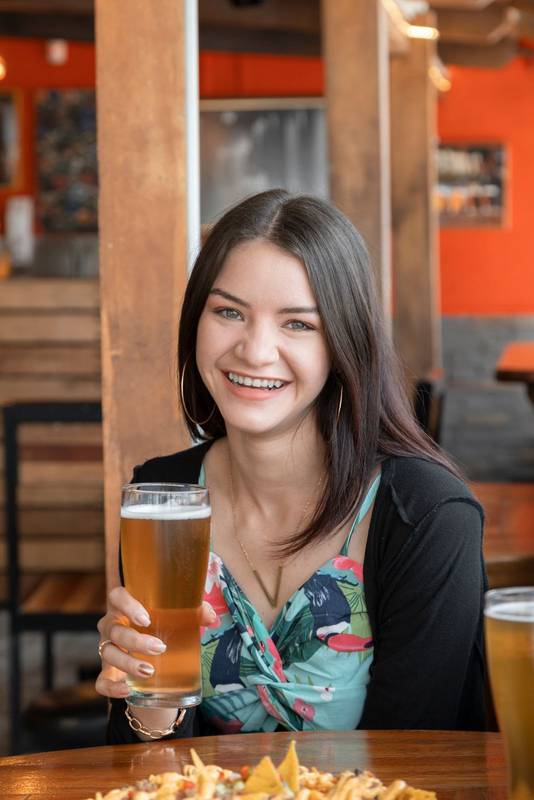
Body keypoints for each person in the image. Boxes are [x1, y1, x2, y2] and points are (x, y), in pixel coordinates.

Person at [96, 189, 487, 742]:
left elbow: (418, 764)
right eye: (228, 311)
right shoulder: (163, 499)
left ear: (344, 343)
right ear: (195, 322)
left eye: (298, 324)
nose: (255, 351)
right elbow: (146, 769)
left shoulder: (426, 515)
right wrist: (149, 699)